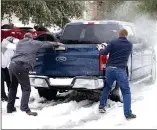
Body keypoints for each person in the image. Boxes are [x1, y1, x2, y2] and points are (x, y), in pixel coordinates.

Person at [7, 33, 59, 116]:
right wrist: (57, 44)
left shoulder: (20, 42)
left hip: (12, 65)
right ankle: (25, 109)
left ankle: (10, 108)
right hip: (21, 66)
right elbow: (46, 43)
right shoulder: (34, 42)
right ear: (31, 38)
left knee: (13, 87)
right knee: (26, 89)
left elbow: (12, 39)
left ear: (24, 37)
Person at [97, 29, 136, 119]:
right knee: (126, 92)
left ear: (119, 35)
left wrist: (100, 48)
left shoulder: (113, 42)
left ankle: (101, 107)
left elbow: (103, 53)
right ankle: (128, 114)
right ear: (126, 35)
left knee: (107, 88)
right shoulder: (130, 44)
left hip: (110, 69)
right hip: (120, 70)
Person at [1, 37, 19, 101]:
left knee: (9, 79)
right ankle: (2, 96)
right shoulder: (4, 42)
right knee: (1, 80)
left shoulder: (12, 50)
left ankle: (11, 94)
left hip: (4, 66)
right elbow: (13, 46)